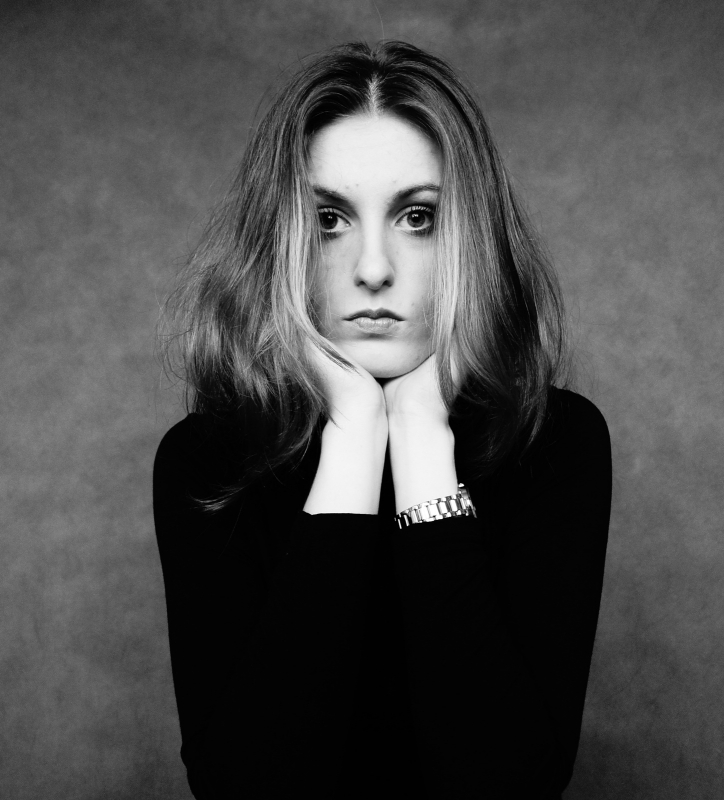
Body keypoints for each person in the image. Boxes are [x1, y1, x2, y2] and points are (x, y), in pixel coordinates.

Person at [153, 40, 612, 800]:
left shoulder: (555, 442)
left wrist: (423, 440)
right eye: (329, 218)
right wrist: (353, 443)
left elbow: (508, 787)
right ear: (279, 240)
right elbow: (247, 790)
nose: (373, 269)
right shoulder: (209, 460)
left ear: (471, 237)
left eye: (417, 217)